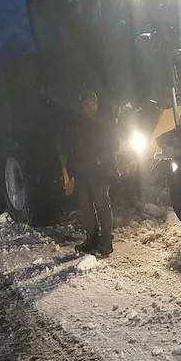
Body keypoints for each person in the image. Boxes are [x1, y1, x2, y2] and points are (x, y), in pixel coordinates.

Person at [68, 90, 118, 256]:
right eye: (86, 105)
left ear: (97, 104)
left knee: (103, 206)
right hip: (82, 172)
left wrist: (100, 159)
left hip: (99, 172)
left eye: (93, 104)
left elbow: (115, 146)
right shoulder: (77, 124)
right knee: (86, 207)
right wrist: (71, 168)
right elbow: (72, 148)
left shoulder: (105, 123)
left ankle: (106, 242)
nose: (90, 108)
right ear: (81, 106)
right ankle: (91, 239)